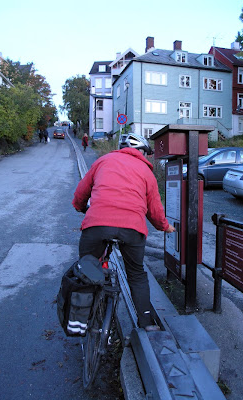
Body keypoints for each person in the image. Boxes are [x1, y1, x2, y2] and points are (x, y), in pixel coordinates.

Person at [72, 133, 175, 331]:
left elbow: (81, 192)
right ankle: (146, 323)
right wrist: (165, 226)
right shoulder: (146, 172)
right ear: (142, 152)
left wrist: (79, 206)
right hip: (132, 229)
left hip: (97, 224)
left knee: (87, 269)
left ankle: (82, 319)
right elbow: (154, 209)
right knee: (136, 274)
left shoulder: (103, 161)